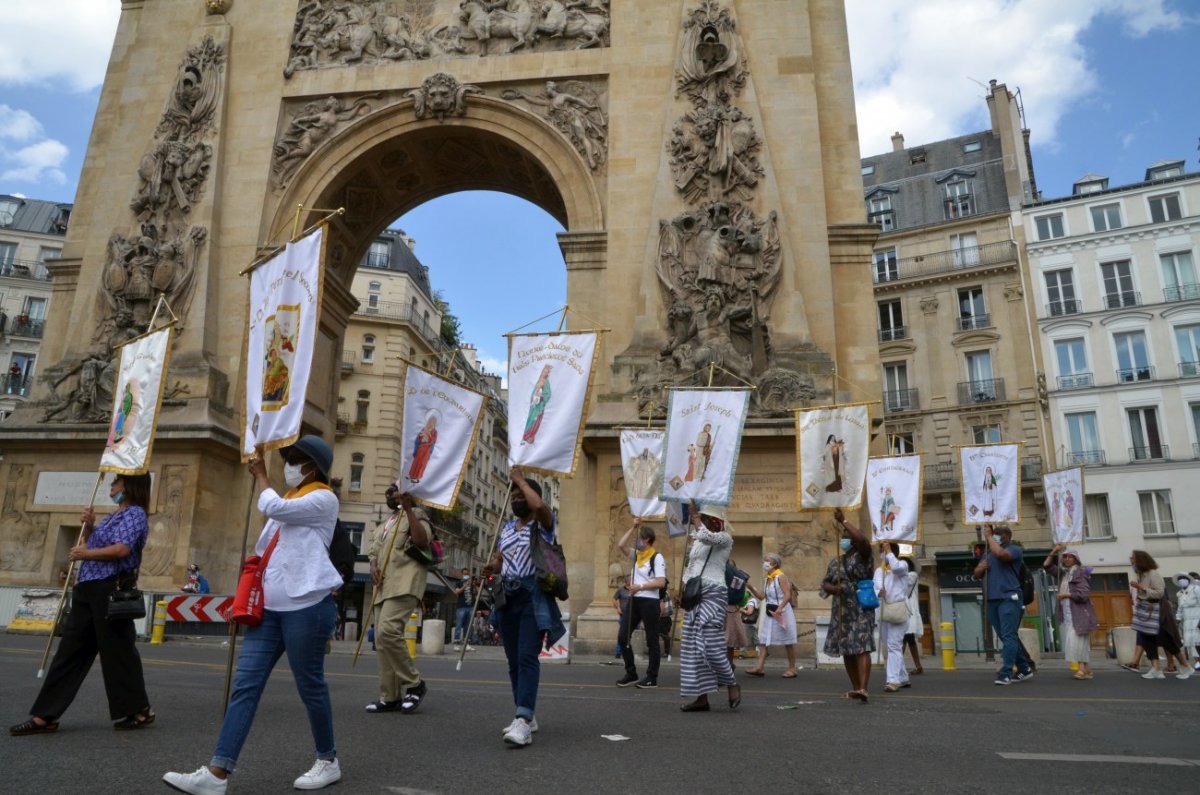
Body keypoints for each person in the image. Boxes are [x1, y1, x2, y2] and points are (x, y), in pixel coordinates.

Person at [163, 435, 343, 793]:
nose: (290, 465)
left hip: (307, 609)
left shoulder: (324, 499)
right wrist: (244, 599)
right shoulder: (287, 498)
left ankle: (328, 759)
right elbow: (266, 551)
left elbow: (275, 509)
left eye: (297, 460)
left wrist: (261, 476)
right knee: (245, 686)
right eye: (289, 458)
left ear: (314, 468)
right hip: (269, 611)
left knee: (310, 687)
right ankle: (217, 773)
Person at [11, 473, 153, 737]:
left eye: (116, 481)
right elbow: (97, 543)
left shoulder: (134, 514)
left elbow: (121, 549)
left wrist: (85, 554)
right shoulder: (113, 516)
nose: (111, 486)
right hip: (88, 588)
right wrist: (89, 528)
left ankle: (139, 709)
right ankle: (45, 715)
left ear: (129, 486)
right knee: (70, 651)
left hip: (109, 588)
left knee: (118, 653)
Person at [484, 467, 565, 747]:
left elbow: (540, 506)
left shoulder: (542, 525)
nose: (515, 498)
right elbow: (500, 560)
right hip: (507, 596)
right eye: (513, 495)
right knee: (514, 660)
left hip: (533, 596)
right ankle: (526, 712)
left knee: (527, 656)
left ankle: (523, 720)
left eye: (521, 495)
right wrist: (492, 568)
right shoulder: (506, 527)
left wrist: (519, 478)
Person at [364, 482, 431, 713]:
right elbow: (373, 549)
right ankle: (389, 696)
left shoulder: (419, 514)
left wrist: (410, 509)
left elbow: (422, 541)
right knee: (381, 642)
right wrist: (373, 564)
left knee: (388, 631)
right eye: (387, 492)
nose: (389, 495)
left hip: (405, 582)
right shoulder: (385, 523)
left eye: (394, 491)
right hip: (382, 587)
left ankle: (415, 684)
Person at [678, 504, 740, 712]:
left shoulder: (724, 538)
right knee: (692, 648)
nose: (704, 521)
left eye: (707, 519)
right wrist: (683, 590)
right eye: (703, 518)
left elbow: (706, 537)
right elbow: (692, 565)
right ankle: (701, 698)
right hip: (695, 595)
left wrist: (695, 518)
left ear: (717, 522)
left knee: (711, 645)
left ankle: (732, 683)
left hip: (714, 594)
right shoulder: (698, 540)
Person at [820, 509, 875, 702]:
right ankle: (855, 689)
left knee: (862, 646)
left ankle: (864, 688)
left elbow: (862, 539)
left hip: (860, 605)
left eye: (846, 535)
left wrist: (844, 520)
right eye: (842, 535)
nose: (843, 538)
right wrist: (833, 588)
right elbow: (824, 583)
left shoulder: (864, 555)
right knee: (847, 649)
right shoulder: (837, 560)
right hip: (841, 609)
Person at [972, 524, 1033, 686]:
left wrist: (989, 537)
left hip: (1009, 597)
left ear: (1008, 536)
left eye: (1000, 534)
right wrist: (980, 567)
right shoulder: (987, 553)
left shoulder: (1014, 550)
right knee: (1006, 636)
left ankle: (1006, 672)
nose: (997, 536)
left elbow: (1001, 554)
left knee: (1008, 636)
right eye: (995, 533)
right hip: (992, 599)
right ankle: (1024, 668)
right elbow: (977, 574)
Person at [614, 518, 666, 689]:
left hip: (650, 602)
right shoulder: (637, 555)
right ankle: (631, 673)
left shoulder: (657, 557)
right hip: (634, 600)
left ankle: (652, 677)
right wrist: (633, 527)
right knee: (622, 638)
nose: (637, 541)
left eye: (639, 538)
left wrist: (641, 586)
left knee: (652, 640)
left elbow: (661, 582)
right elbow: (621, 544)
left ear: (646, 540)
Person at [1042, 544, 1098, 680]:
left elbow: (1084, 594)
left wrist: (1066, 595)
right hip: (1068, 613)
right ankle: (1087, 669)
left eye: (1070, 557)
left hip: (1078, 613)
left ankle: (1082, 669)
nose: (1067, 559)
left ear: (1076, 559)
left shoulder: (1079, 573)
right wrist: (1054, 551)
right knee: (1078, 640)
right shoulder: (1065, 574)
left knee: (1076, 640)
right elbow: (1047, 566)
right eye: (1065, 556)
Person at [745, 553, 797, 678]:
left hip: (782, 612)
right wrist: (750, 587)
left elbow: (787, 594)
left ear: (774, 563)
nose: (765, 563)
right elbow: (762, 597)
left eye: (767, 561)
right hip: (770, 612)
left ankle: (792, 668)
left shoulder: (780, 576)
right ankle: (760, 667)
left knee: (788, 640)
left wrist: (780, 608)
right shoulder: (768, 578)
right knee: (763, 639)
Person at [873, 541, 911, 692]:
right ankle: (903, 677)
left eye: (884, 550)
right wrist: (878, 593)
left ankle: (892, 680)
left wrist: (889, 552)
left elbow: (896, 568)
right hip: (883, 610)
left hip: (898, 610)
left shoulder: (902, 565)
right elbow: (875, 587)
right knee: (889, 647)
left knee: (894, 644)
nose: (882, 553)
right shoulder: (878, 571)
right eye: (882, 551)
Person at [1129, 550, 1169, 680]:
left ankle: (1158, 668)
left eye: (1133, 558)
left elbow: (1159, 593)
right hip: (1144, 608)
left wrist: (1141, 588)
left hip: (1152, 609)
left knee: (1150, 638)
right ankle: (1155, 667)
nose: (1131, 560)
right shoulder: (1142, 574)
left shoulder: (1153, 574)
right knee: (1146, 639)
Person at [901, 555, 923, 675]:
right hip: (905, 609)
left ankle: (898, 666)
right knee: (909, 640)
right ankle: (918, 666)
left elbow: (904, 586)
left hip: (909, 610)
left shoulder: (912, 575)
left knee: (904, 638)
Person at [1176, 572, 1200, 671]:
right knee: (1191, 643)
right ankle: (1198, 661)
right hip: (1186, 621)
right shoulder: (1179, 594)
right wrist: (1177, 619)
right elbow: (1180, 608)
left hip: (1197, 618)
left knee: (1198, 641)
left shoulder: (1197, 589)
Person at [452, 567, 476, 651]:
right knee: (459, 625)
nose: (466, 575)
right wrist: (465, 586)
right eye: (464, 574)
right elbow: (456, 592)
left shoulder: (471, 584)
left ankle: (467, 644)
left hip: (470, 607)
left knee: (468, 626)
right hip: (461, 607)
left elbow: (475, 593)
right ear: (462, 574)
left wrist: (473, 586)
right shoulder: (459, 583)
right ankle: (456, 644)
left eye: (467, 574)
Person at [611, 575, 632, 658]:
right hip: (623, 615)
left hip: (634, 615)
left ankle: (631, 651)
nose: (631, 580)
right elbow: (614, 599)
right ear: (626, 581)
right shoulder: (621, 590)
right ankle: (618, 651)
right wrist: (618, 607)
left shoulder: (635, 589)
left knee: (634, 633)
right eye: (630, 579)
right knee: (622, 634)